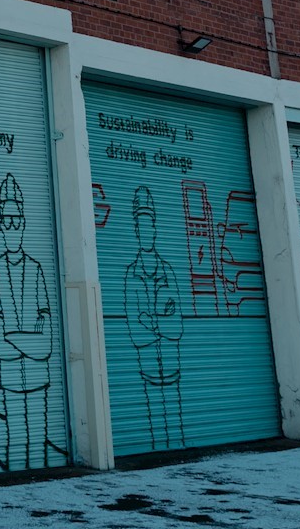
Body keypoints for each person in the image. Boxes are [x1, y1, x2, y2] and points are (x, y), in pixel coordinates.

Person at [0, 173, 53, 470]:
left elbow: (46, 344)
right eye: (6, 220)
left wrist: (14, 335)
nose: (11, 226)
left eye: (16, 220)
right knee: (14, 440)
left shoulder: (37, 269)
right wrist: (28, 338)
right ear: (0, 225)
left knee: (39, 439)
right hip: (10, 378)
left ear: (24, 222)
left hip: (38, 377)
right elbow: (0, 348)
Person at [121, 186, 186, 449]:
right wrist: (160, 319)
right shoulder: (131, 275)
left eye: (151, 226)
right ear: (136, 231)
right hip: (147, 369)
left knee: (176, 428)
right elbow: (136, 334)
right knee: (155, 429)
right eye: (142, 227)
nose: (147, 232)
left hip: (172, 368)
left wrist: (150, 320)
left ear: (155, 229)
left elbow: (177, 327)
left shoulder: (168, 271)